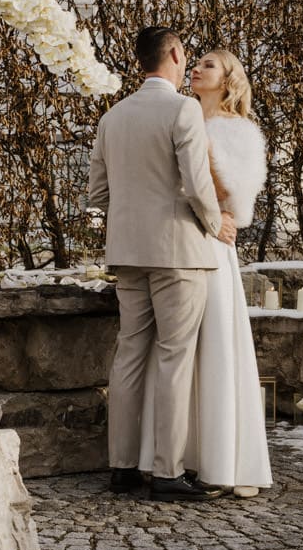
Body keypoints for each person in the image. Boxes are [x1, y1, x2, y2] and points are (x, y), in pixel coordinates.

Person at [88, 27, 233, 503]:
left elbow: (98, 195)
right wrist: (216, 225)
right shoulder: (183, 108)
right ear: (174, 54)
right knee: (173, 357)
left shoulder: (113, 116)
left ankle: (122, 469)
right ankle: (168, 474)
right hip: (178, 253)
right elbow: (195, 184)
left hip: (127, 252)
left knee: (129, 355)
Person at [137, 49, 274, 497]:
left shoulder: (239, 132)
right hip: (175, 244)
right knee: (176, 355)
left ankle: (219, 460)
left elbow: (238, 203)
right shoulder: (176, 116)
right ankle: (174, 460)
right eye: (193, 62)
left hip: (213, 248)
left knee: (212, 349)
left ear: (230, 79)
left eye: (209, 64)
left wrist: (204, 154)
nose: (196, 68)